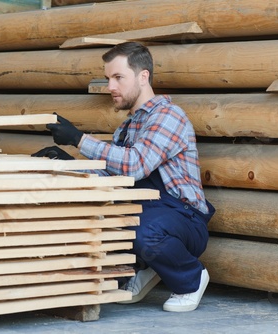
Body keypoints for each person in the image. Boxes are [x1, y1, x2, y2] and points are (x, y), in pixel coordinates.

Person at [33, 42, 215, 312]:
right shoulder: (128, 126)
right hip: (149, 213)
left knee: (142, 229)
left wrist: (79, 139)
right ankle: (148, 267)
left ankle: (191, 278)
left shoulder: (168, 116)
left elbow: (137, 165)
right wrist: (70, 164)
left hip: (184, 219)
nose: (110, 87)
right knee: (111, 219)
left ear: (143, 77)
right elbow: (113, 175)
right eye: (108, 78)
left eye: (118, 78)